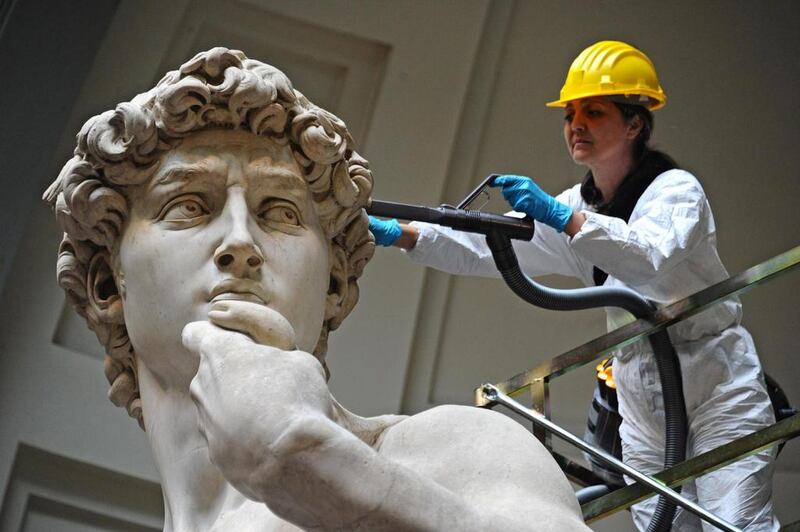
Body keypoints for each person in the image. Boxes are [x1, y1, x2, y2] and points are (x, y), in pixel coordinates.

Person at [44, 47, 590, 531]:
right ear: (106, 286)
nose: (240, 243)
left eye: (278, 212)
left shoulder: (450, 454)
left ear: (333, 283)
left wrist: (319, 468)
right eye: (189, 206)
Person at [370, 40, 779, 531]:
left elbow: (648, 257)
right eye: (570, 114)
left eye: (594, 111)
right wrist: (409, 236)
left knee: (735, 522)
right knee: (664, 526)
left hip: (717, 384)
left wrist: (564, 218)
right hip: (640, 398)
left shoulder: (675, 191)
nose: (576, 125)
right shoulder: (574, 206)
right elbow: (494, 247)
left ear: (635, 123)